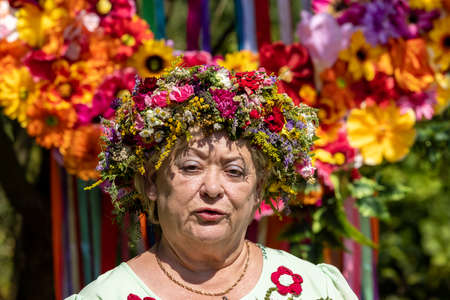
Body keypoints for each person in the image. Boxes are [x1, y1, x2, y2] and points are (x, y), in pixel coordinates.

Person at [66, 65, 358, 300]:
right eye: (191, 167)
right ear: (152, 182)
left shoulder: (315, 289)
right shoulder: (107, 295)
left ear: (258, 189)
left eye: (234, 171)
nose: (213, 189)